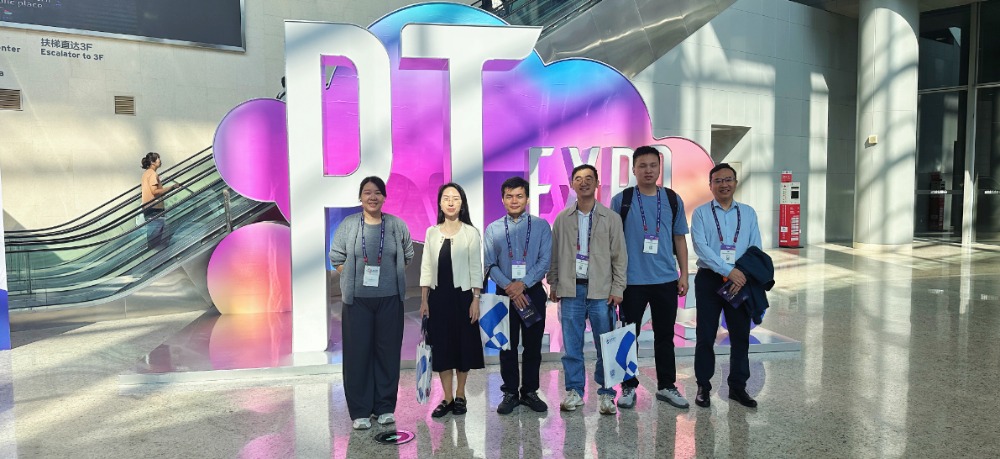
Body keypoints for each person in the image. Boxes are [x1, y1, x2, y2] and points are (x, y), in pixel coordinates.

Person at [329, 176, 414, 430]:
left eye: (377, 192)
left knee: (388, 354)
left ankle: (385, 407)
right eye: (367, 192)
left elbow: (408, 255)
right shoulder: (349, 225)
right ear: (360, 197)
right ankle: (360, 411)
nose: (372, 197)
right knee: (358, 355)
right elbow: (336, 257)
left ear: (384, 197)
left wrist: (388, 278)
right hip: (357, 301)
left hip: (390, 300)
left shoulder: (396, 225)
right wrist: (351, 276)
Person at [609, 145, 691, 409]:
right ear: (633, 169)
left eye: (653, 165)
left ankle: (666, 386)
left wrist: (684, 274)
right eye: (642, 165)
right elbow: (612, 243)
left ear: (659, 168)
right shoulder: (622, 200)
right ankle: (628, 387)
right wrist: (614, 281)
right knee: (627, 335)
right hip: (631, 282)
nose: (648, 170)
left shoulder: (672, 199)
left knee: (664, 336)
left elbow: (679, 239)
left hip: (665, 279)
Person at [548, 164, 627, 415]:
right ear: (572, 184)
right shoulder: (562, 218)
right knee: (571, 347)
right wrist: (554, 283)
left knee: (606, 345)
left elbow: (619, 257)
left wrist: (618, 287)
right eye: (579, 179)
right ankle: (574, 391)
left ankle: (607, 393)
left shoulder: (610, 218)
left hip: (601, 291)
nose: (584, 182)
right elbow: (554, 255)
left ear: (597, 184)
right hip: (571, 290)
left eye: (589, 178)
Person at [690, 163, 762, 408]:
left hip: (740, 281)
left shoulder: (748, 213)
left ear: (735, 183)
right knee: (705, 336)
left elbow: (755, 248)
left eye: (728, 179)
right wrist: (728, 271)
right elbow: (701, 248)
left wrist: (740, 274)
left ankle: (737, 387)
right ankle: (703, 386)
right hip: (710, 279)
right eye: (718, 180)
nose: (724, 184)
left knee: (740, 336)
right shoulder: (701, 213)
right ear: (710, 185)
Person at [483, 176, 552, 415]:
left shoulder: (541, 226)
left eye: (519, 196)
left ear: (528, 199)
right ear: (503, 200)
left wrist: (523, 284)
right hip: (504, 295)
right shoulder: (493, 229)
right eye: (509, 196)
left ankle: (530, 391)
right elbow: (490, 264)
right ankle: (510, 392)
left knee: (533, 346)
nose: (514, 200)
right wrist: (511, 288)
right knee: (506, 346)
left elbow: (545, 261)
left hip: (533, 292)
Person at [419, 183, 485, 418]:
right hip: (438, 298)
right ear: (440, 203)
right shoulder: (431, 232)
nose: (450, 202)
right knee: (443, 346)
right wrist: (424, 300)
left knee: (463, 346)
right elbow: (426, 267)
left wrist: (476, 299)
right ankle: (446, 397)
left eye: (455, 198)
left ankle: (460, 395)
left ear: (462, 203)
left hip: (463, 297)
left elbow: (476, 268)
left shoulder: (471, 233)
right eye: (446, 198)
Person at [140, 152, 180, 250]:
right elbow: (154, 191)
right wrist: (171, 187)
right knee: (156, 236)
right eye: (158, 158)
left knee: (152, 234)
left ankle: (152, 251)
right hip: (155, 207)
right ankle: (156, 254)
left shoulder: (146, 174)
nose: (160, 160)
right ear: (153, 162)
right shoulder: (153, 174)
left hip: (148, 207)